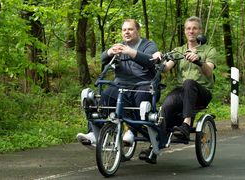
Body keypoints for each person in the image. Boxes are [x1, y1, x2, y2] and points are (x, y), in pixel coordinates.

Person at [139, 16, 217, 162]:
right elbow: (166, 68)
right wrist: (159, 58)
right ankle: (154, 148)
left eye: (194, 28)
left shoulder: (209, 50)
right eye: (188, 28)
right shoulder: (179, 50)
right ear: (185, 31)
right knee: (165, 108)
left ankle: (186, 125)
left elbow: (209, 72)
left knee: (189, 82)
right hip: (183, 91)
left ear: (200, 31)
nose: (191, 31)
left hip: (203, 92)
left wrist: (199, 61)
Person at [76, 19, 158, 149]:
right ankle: (93, 133)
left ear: (138, 31)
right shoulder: (119, 45)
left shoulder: (149, 45)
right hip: (120, 84)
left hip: (143, 84)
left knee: (140, 99)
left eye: (130, 29)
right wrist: (110, 52)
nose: (127, 32)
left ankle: (131, 131)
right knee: (104, 97)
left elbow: (150, 61)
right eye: (124, 30)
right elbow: (103, 59)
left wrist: (129, 52)